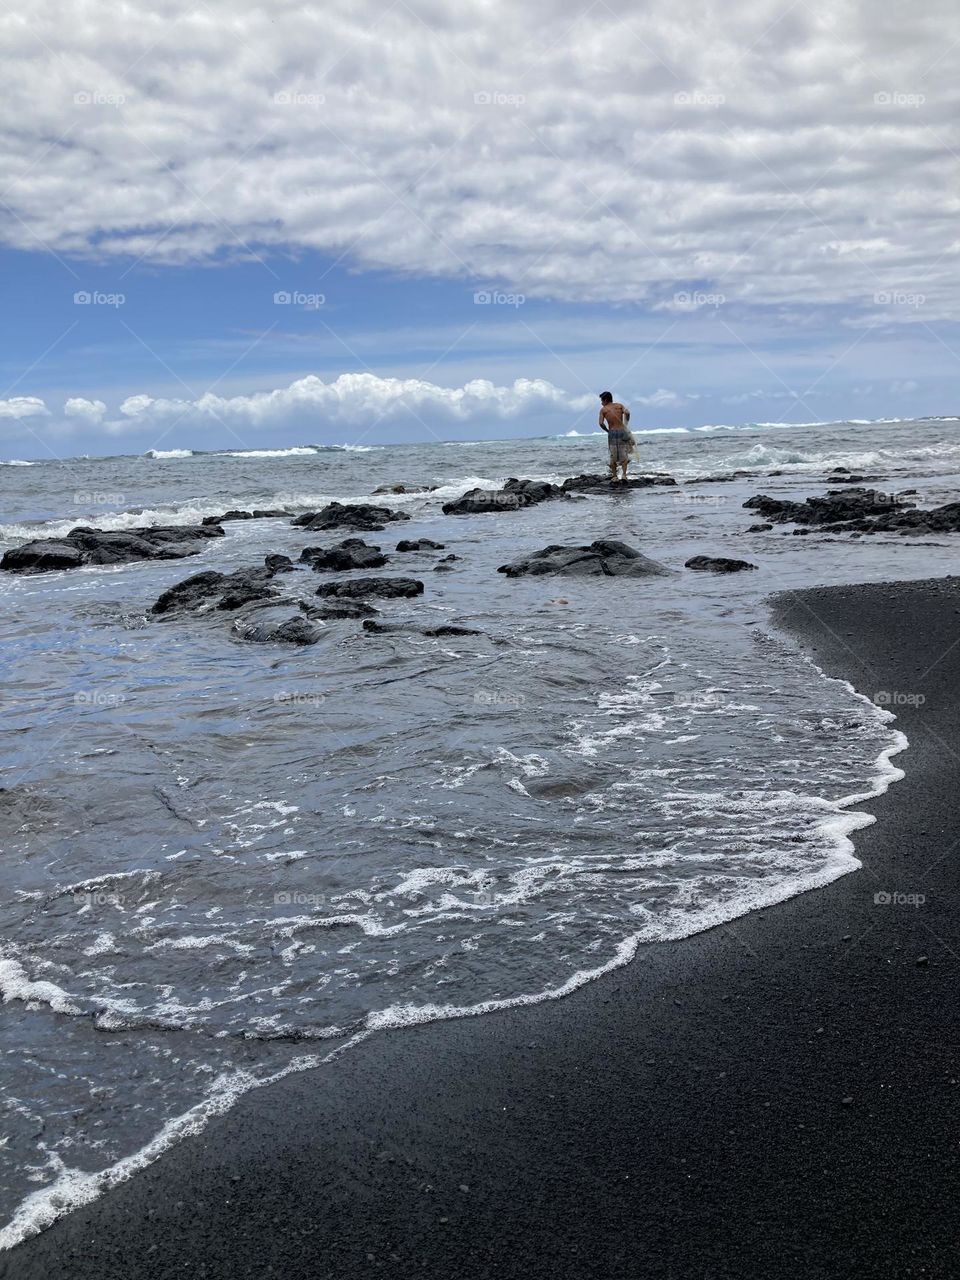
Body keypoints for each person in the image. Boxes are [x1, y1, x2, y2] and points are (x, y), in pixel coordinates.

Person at [598, 391, 633, 483]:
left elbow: (601, 423)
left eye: (602, 401)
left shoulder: (603, 410)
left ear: (605, 400)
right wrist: (626, 423)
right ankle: (624, 475)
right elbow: (627, 413)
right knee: (624, 453)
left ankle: (614, 476)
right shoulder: (619, 405)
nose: (601, 403)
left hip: (612, 433)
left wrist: (607, 431)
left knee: (613, 455)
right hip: (622, 431)